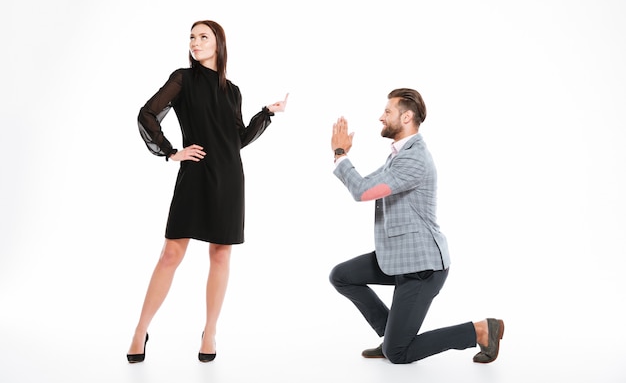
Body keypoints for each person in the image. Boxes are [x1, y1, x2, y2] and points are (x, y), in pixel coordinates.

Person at [127, 20, 288, 363]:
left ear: (219, 44)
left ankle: (210, 331)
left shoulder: (232, 90)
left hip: (229, 177)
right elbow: (147, 114)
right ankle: (141, 329)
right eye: (191, 37)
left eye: (203, 37)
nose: (195, 42)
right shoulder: (183, 79)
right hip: (195, 174)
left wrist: (266, 114)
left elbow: (238, 139)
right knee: (171, 254)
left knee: (220, 255)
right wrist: (171, 151)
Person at [329, 88, 504, 365]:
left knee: (398, 354)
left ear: (407, 116)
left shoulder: (414, 159)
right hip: (400, 259)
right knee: (342, 275)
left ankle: (480, 330)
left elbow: (362, 192)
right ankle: (390, 336)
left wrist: (340, 153)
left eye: (387, 112)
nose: (381, 117)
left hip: (422, 267)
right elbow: (366, 184)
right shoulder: (399, 156)